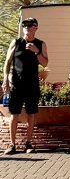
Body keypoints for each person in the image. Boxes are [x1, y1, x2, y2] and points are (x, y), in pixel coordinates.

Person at [2, 17, 49, 155]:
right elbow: (7, 62)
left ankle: (28, 143)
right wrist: (5, 79)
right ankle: (12, 145)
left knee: (31, 114)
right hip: (16, 84)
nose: (27, 27)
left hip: (32, 84)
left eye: (30, 25)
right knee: (14, 115)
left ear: (36, 27)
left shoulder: (41, 44)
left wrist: (36, 51)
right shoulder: (16, 43)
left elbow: (45, 63)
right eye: (25, 25)